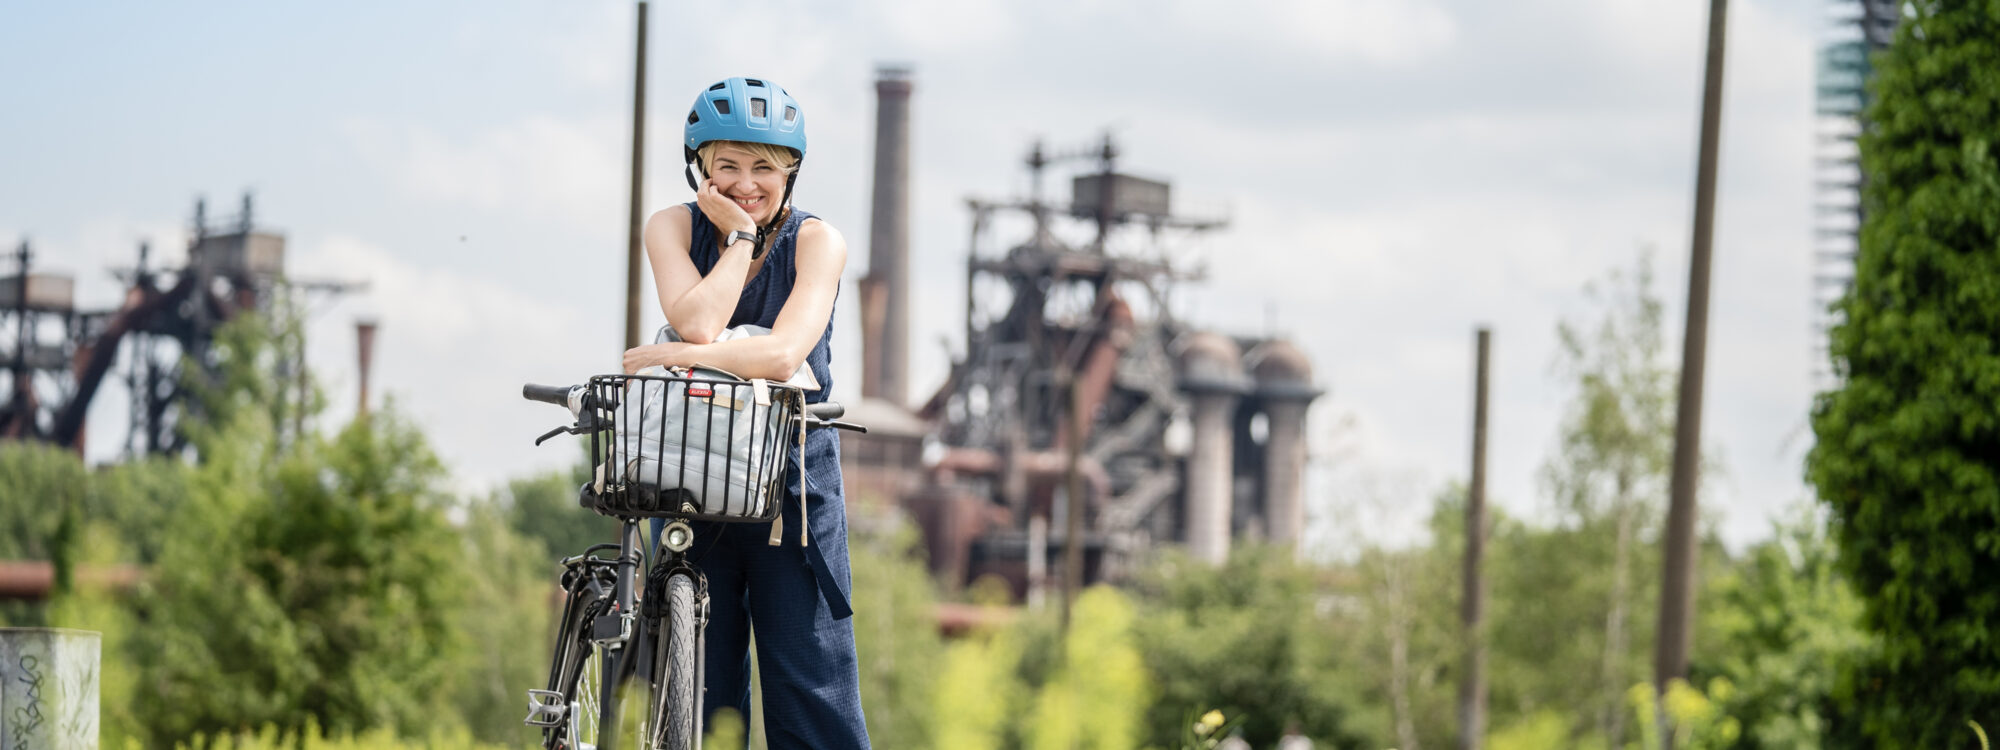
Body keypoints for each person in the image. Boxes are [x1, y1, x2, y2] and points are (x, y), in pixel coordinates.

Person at [622, 76, 868, 749]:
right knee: (697, 694)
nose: (745, 184)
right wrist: (737, 240)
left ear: (792, 170)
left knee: (808, 688)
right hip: (690, 473)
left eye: (765, 167)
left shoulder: (819, 243)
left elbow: (787, 353)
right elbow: (699, 322)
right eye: (726, 165)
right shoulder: (672, 225)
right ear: (699, 166)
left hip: (790, 484)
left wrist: (670, 360)